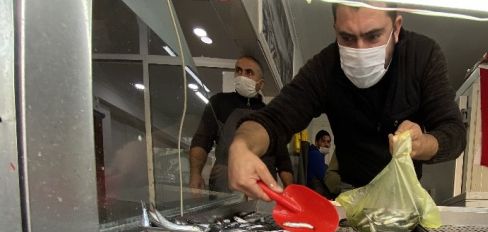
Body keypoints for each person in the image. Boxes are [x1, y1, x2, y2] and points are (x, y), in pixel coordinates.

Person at [227, 2, 465, 201]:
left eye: (373, 36)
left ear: (396, 27)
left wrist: (423, 144)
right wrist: (241, 146)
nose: (360, 50)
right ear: (335, 29)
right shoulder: (324, 67)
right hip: (351, 192)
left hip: (404, 195)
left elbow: (454, 132)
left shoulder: (423, 56)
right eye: (347, 37)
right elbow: (273, 120)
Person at [189, 56, 294, 194]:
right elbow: (202, 140)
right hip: (224, 185)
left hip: (263, 189)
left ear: (261, 84)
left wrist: (289, 190)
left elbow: (283, 159)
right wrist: (195, 174)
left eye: (249, 72)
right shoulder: (219, 103)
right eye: (238, 70)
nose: (242, 76)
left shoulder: (270, 115)